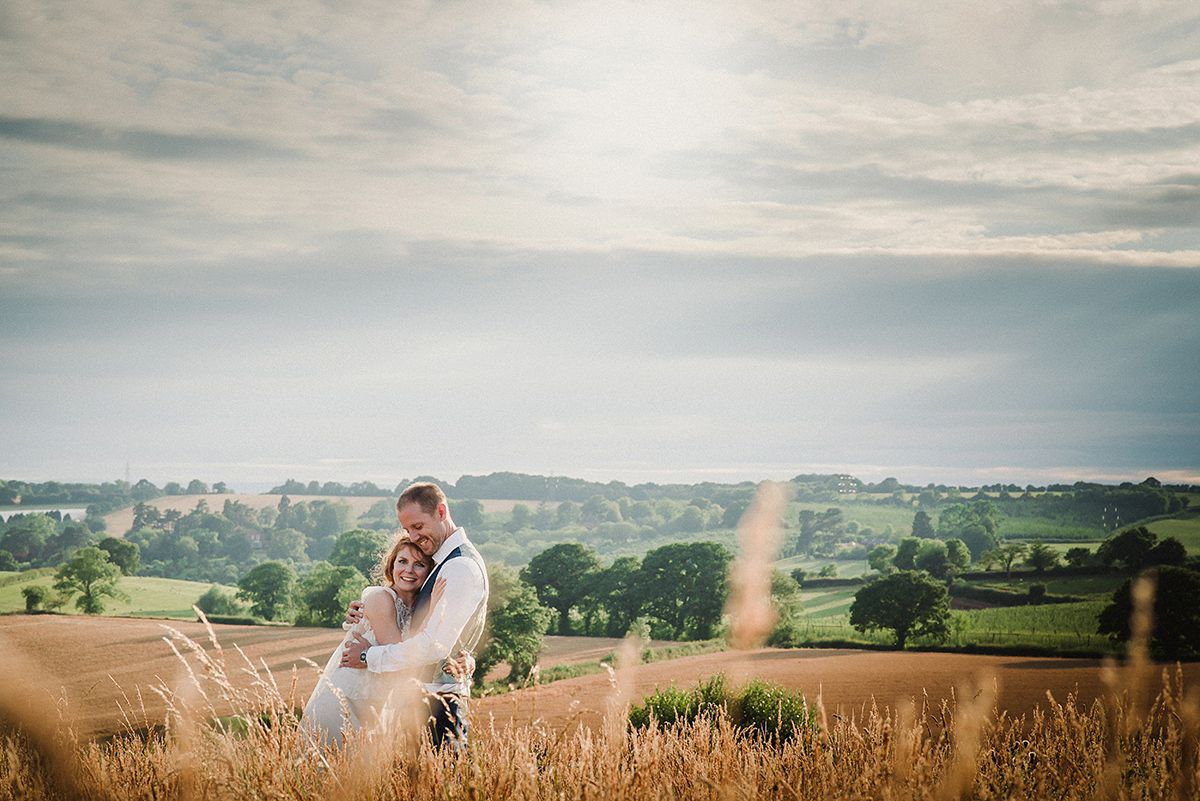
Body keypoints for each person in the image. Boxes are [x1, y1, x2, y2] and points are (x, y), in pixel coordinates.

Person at [341, 482, 489, 749]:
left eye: (418, 526)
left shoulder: (460, 567)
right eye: (407, 529)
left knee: (442, 787)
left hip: (439, 704)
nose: (412, 536)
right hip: (419, 703)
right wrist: (367, 611)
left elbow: (434, 646)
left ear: (441, 512)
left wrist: (367, 656)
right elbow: (414, 615)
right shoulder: (441, 560)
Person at [302, 535, 458, 748]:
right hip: (346, 703)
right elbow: (402, 661)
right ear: (391, 565)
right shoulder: (381, 599)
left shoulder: (415, 610)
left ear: (429, 571)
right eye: (402, 561)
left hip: (374, 709)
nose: (409, 570)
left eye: (419, 564)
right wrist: (433, 613)